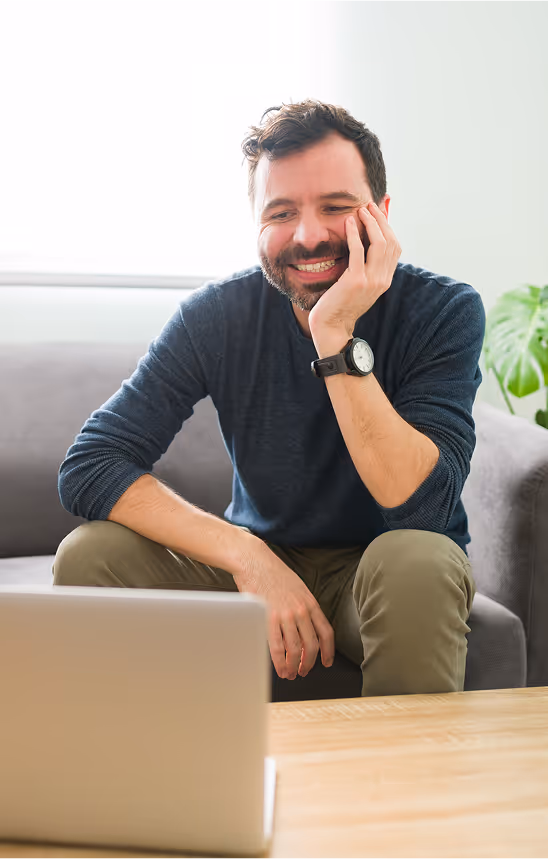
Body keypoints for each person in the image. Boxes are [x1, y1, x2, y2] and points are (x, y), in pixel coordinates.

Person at [53, 99, 484, 697]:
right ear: (255, 223)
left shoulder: (443, 310)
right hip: (262, 556)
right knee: (90, 553)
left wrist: (334, 334)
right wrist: (248, 557)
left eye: (336, 207)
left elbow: (420, 510)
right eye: (282, 212)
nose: (308, 236)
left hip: (379, 573)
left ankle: (398, 788)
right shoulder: (217, 315)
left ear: (381, 215)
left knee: (419, 560)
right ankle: (125, 775)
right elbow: (90, 467)